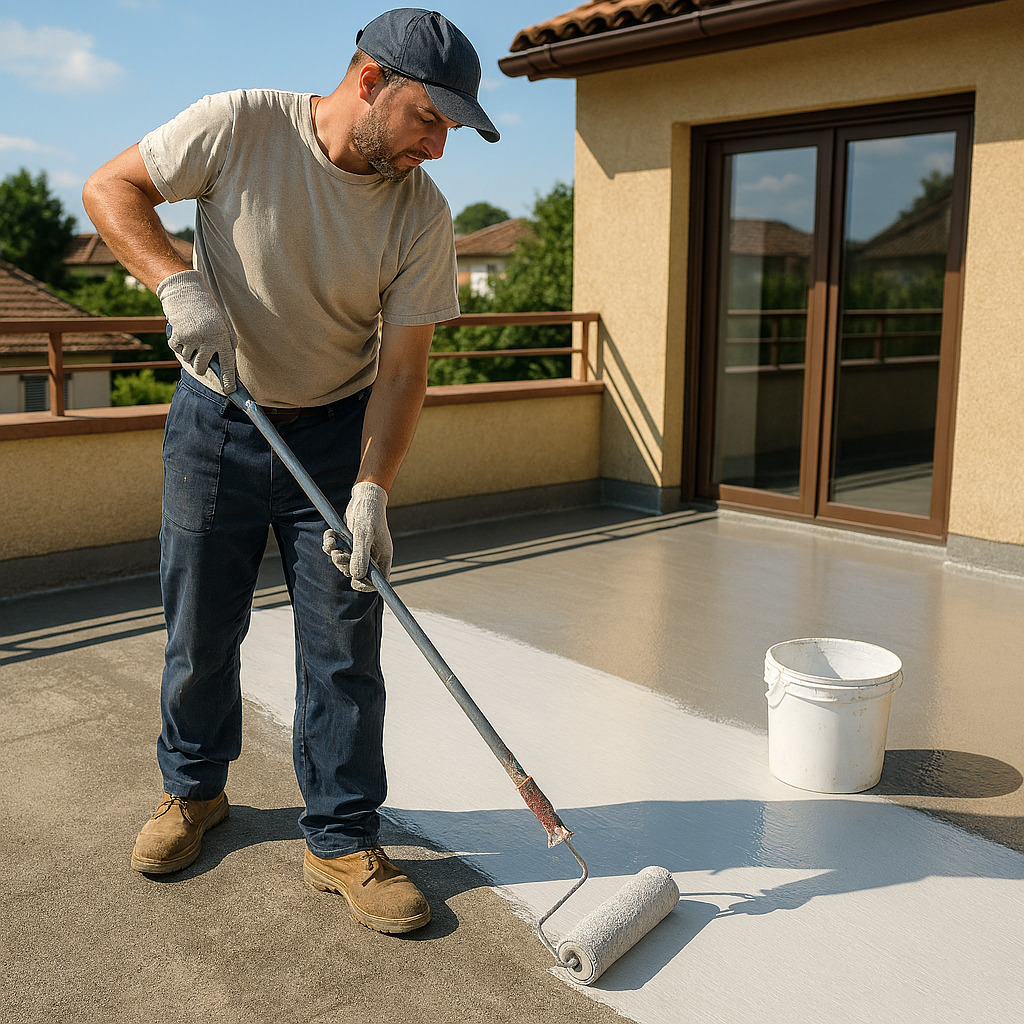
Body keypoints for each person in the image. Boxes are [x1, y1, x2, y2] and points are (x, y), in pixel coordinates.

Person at [82, 9, 499, 935]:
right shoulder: (240, 125)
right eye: (430, 119)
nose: (438, 147)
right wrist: (175, 282)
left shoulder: (421, 215)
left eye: (451, 130)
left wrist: (373, 488)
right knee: (199, 628)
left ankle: (341, 838)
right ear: (370, 83)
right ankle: (193, 792)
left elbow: (403, 368)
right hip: (217, 425)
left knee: (346, 647)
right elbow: (110, 189)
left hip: (335, 435)